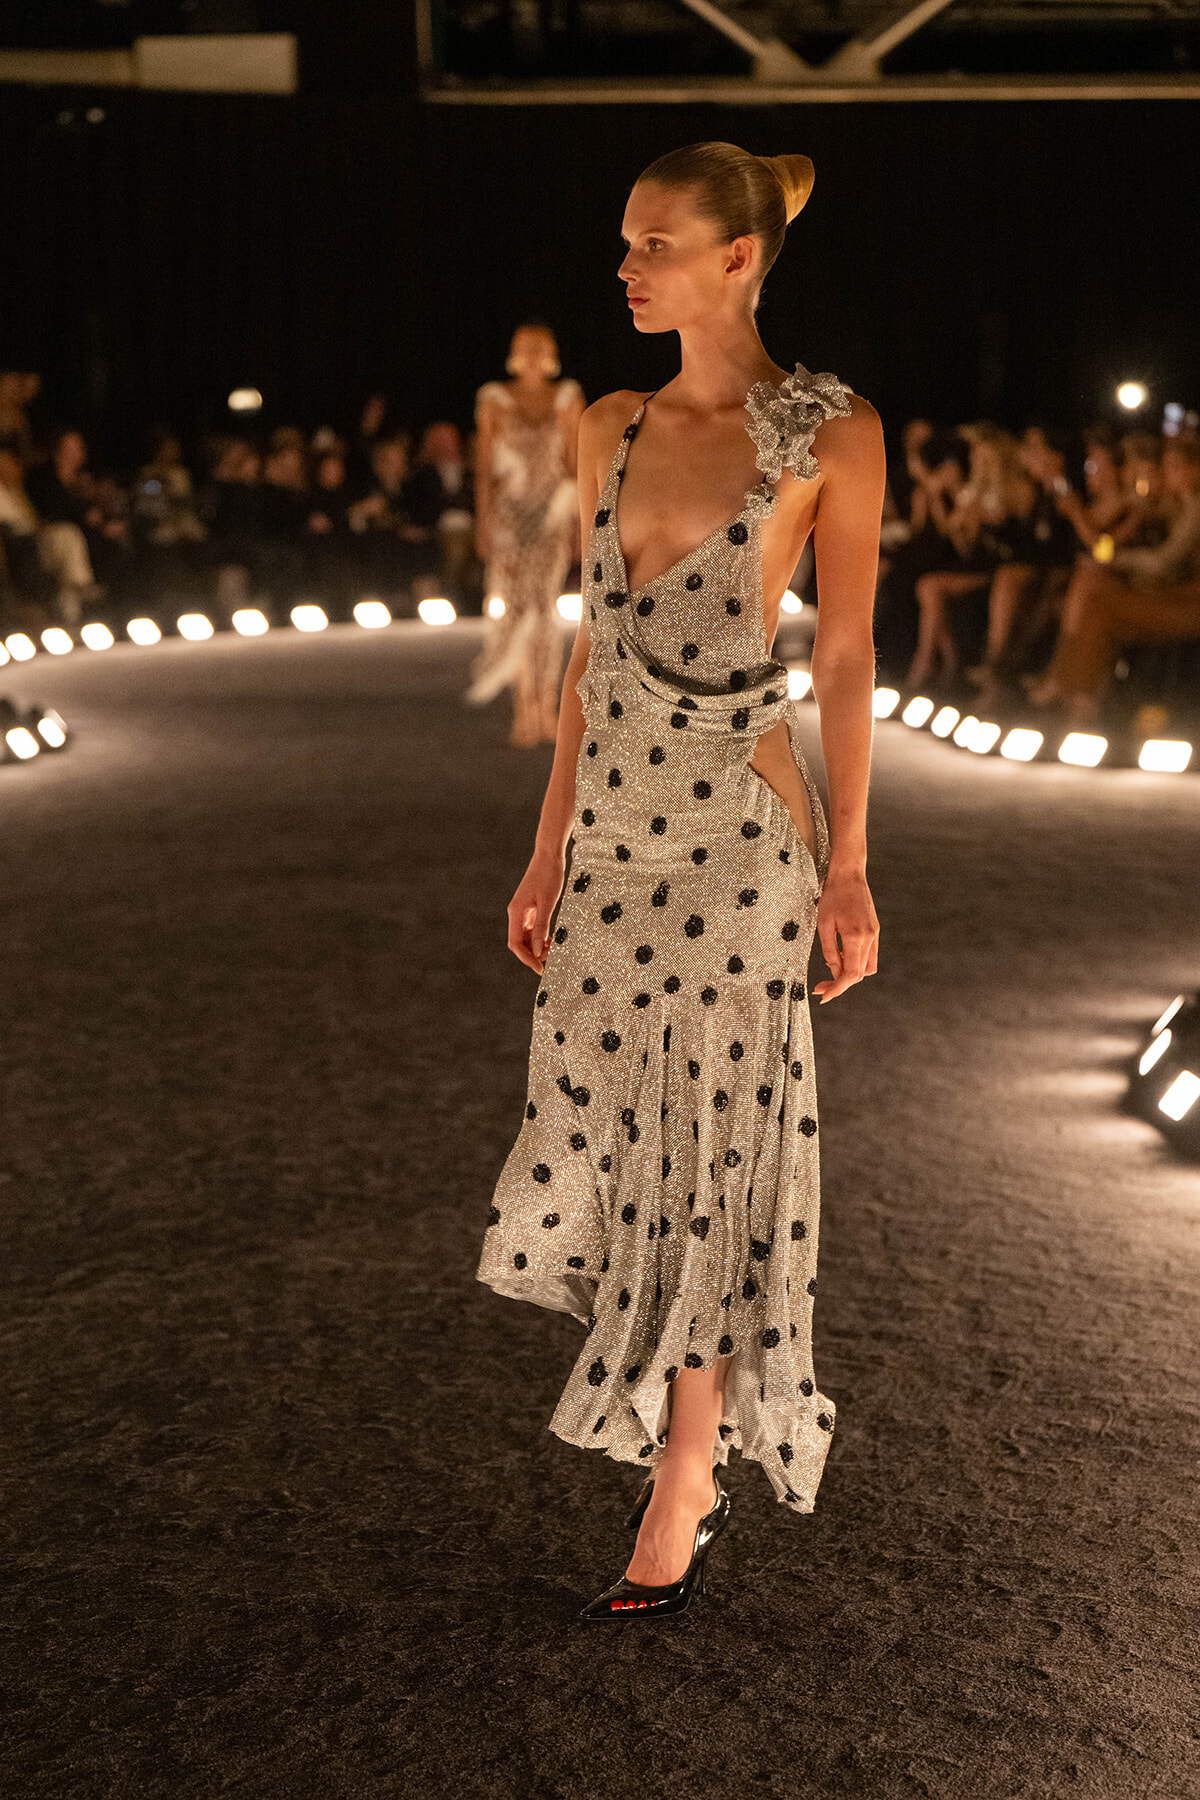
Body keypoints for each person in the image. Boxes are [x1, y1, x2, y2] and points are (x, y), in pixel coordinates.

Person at [476, 141, 884, 1619]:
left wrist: (848, 865)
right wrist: (543, 841)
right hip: (613, 842)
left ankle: (687, 1473)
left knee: (714, 1149)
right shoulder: (608, 423)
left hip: (741, 836)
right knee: (622, 1132)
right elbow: (591, 656)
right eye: (626, 241)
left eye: (656, 243)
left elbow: (839, 656)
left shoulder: (824, 430)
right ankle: (672, 1434)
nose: (628, 266)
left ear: (739, 259)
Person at [1025, 433, 1200, 721]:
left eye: (1174, 467)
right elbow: (1104, 545)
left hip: (1181, 597)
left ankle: (1074, 693)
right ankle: (1074, 692)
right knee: (1094, 586)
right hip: (1158, 587)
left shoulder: (1190, 508)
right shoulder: (1154, 503)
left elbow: (1156, 560)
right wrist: (1124, 519)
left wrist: (1106, 549)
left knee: (1097, 591)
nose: (1167, 475)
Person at [467, 324, 585, 746]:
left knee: (544, 607)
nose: (533, 355)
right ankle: (522, 704)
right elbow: (484, 468)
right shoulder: (494, 399)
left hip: (553, 513)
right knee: (516, 608)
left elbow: (575, 463)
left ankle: (546, 704)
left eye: (541, 348)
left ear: (552, 354)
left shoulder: (567, 397)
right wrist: (483, 523)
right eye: (525, 348)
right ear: (514, 354)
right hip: (510, 518)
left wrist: (578, 524)